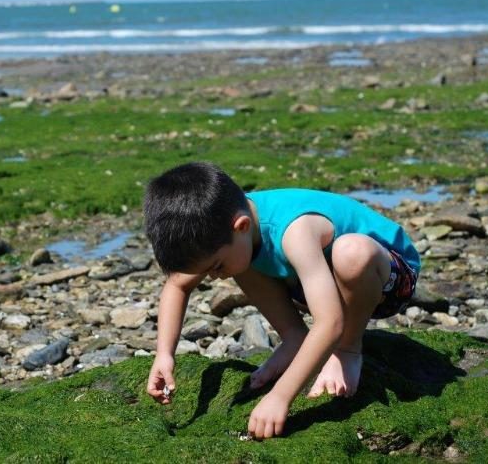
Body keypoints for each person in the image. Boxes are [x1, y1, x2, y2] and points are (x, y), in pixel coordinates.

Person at [143, 162, 419, 440]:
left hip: (387, 279)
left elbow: (330, 323)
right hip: (319, 279)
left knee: (351, 254)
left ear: (241, 225)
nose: (213, 278)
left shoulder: (294, 231)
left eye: (214, 266)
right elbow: (177, 285)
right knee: (239, 261)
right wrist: (165, 354)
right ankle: (294, 337)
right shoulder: (228, 228)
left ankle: (349, 349)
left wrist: (280, 397)